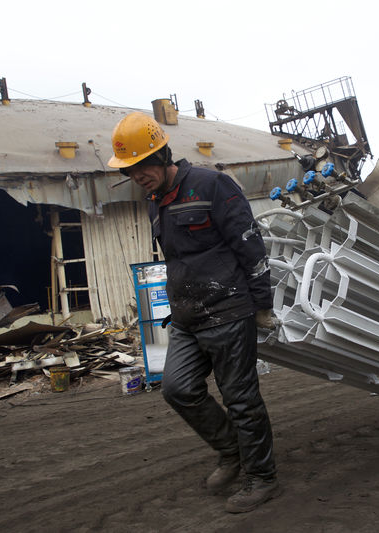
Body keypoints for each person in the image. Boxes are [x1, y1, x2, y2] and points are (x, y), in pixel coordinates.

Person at [108, 112, 281, 513]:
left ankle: (262, 477)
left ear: (163, 154)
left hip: (228, 310)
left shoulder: (211, 185)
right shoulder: (154, 203)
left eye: (142, 166)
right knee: (177, 388)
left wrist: (261, 304)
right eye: (130, 171)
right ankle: (232, 450)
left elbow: (249, 245)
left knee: (240, 398)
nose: (138, 176)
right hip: (187, 316)